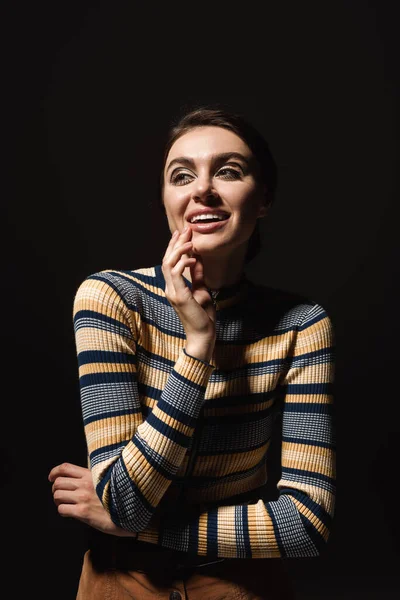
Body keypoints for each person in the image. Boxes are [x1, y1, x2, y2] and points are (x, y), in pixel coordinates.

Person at [49, 105, 336, 600]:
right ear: (166, 200)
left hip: (241, 586)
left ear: (263, 197)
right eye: (182, 175)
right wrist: (199, 347)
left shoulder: (302, 324)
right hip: (120, 583)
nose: (202, 189)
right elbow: (127, 502)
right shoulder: (109, 299)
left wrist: (145, 528)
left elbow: (308, 521)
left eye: (228, 171)